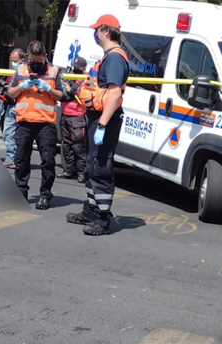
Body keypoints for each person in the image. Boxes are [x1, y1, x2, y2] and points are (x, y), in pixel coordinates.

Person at [67, 14, 129, 236]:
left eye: (97, 30)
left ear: (106, 31)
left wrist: (102, 124)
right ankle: (92, 211)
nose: (95, 34)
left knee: (100, 167)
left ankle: (103, 220)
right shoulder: (109, 57)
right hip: (97, 118)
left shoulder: (115, 58)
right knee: (92, 167)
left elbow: (114, 93)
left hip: (104, 120)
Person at [6, 40, 65, 210]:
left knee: (48, 161)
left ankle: (45, 195)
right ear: (27, 57)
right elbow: (11, 93)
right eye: (32, 60)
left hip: (46, 123)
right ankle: (21, 192)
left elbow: (62, 95)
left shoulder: (54, 71)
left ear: (45, 57)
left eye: (38, 61)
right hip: (24, 121)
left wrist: (48, 88)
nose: (35, 64)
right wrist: (21, 87)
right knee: (21, 159)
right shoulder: (20, 69)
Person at [59, 57, 88, 183]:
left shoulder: (85, 81)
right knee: (66, 145)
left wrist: (71, 91)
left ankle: (81, 172)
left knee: (78, 146)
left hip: (77, 116)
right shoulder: (70, 78)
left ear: (83, 68)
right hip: (65, 115)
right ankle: (70, 170)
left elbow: (80, 97)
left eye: (78, 68)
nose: (75, 70)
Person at [0, 48, 26, 168]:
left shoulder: (26, 72)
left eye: (15, 61)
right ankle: (11, 159)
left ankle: (16, 159)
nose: (13, 64)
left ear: (23, 60)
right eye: (12, 61)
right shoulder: (10, 72)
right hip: (10, 105)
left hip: (22, 106)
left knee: (21, 136)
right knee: (8, 133)